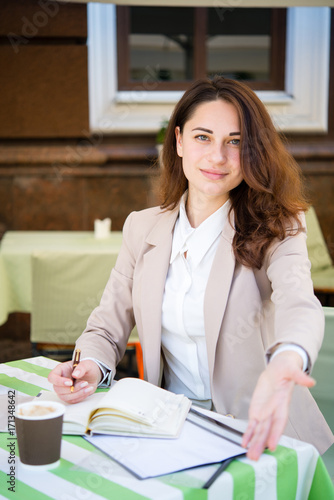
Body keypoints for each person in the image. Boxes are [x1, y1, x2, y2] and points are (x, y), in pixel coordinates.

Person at [48, 76, 334, 460]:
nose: (218, 157)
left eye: (236, 142)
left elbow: (300, 304)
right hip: (170, 428)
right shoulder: (142, 227)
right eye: (203, 137)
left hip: (262, 431)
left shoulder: (279, 228)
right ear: (179, 141)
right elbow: (106, 325)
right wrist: (90, 367)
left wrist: (285, 363)